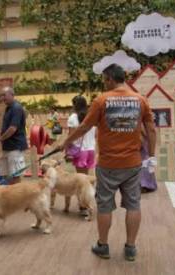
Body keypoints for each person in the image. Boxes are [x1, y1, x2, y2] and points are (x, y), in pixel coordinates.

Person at [57, 64, 156, 261]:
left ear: (110, 78)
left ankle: (103, 246)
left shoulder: (101, 100)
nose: (104, 83)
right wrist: (151, 155)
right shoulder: (141, 100)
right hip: (133, 163)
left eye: (104, 80)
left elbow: (85, 126)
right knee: (134, 206)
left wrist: (67, 142)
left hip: (108, 164)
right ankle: (130, 248)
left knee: (104, 206)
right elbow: (151, 130)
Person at [67, 95, 96, 216]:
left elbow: (71, 136)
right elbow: (95, 134)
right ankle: (88, 200)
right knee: (87, 178)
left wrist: (68, 151)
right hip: (91, 150)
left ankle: (84, 206)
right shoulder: (92, 115)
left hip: (80, 151)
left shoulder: (73, 117)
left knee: (81, 180)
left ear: (75, 105)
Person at [0, 87, 28, 185]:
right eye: (1, 95)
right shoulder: (8, 108)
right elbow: (5, 126)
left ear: (12, 95)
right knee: (5, 173)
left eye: (4, 95)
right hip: (7, 147)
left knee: (15, 175)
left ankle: (17, 197)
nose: (2, 98)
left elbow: (12, 128)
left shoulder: (17, 108)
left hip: (15, 146)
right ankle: (9, 195)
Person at [140, 128, 157, 192]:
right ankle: (148, 184)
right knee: (147, 165)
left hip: (145, 145)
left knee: (146, 165)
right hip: (145, 145)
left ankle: (145, 185)